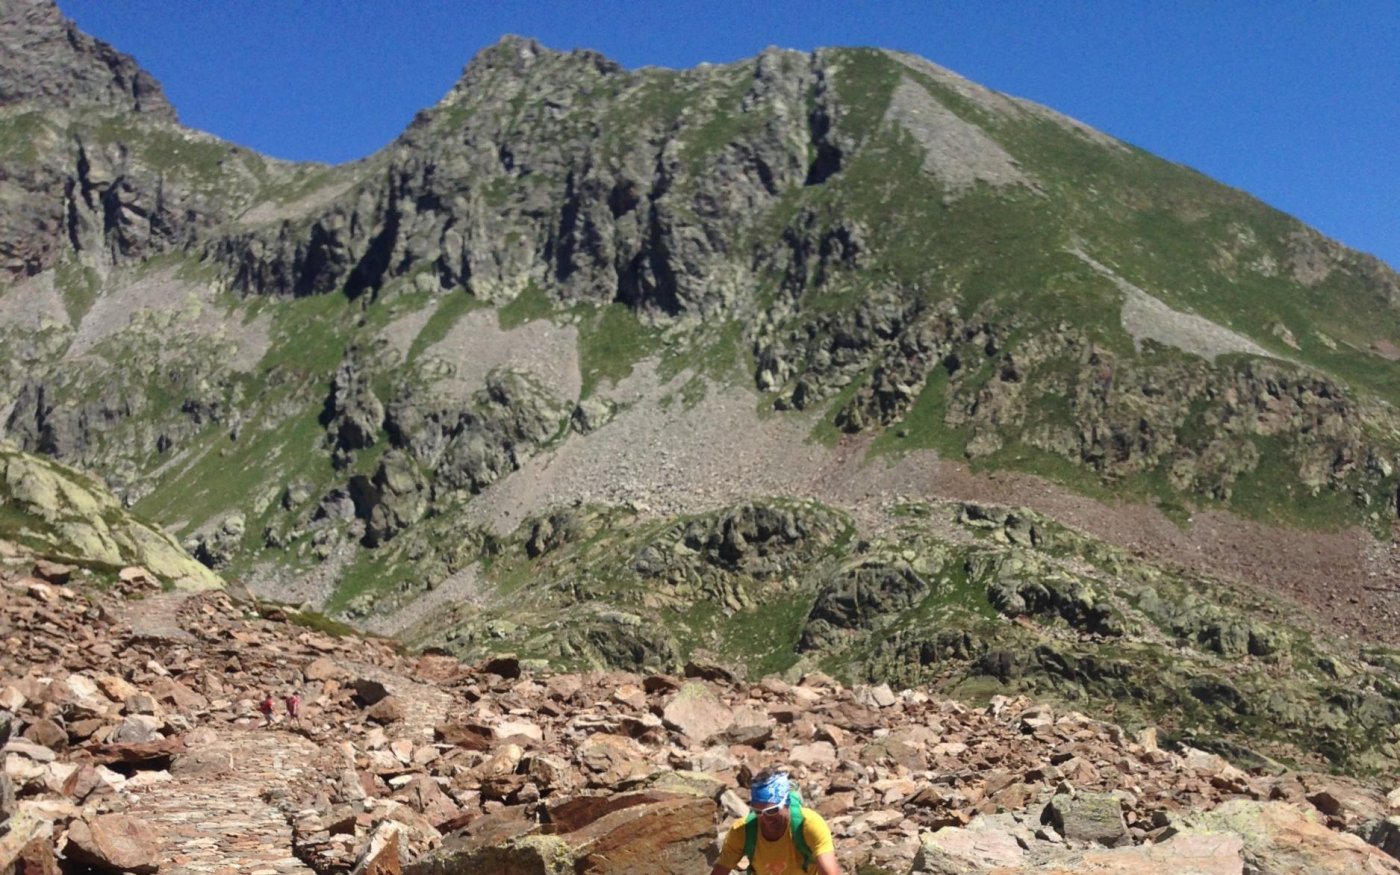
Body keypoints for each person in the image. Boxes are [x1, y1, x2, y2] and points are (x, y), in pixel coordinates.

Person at [709, 769, 841, 875]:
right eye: (757, 812)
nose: (764, 819)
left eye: (772, 811)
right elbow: (721, 869)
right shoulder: (742, 831)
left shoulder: (809, 825)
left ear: (786, 804)